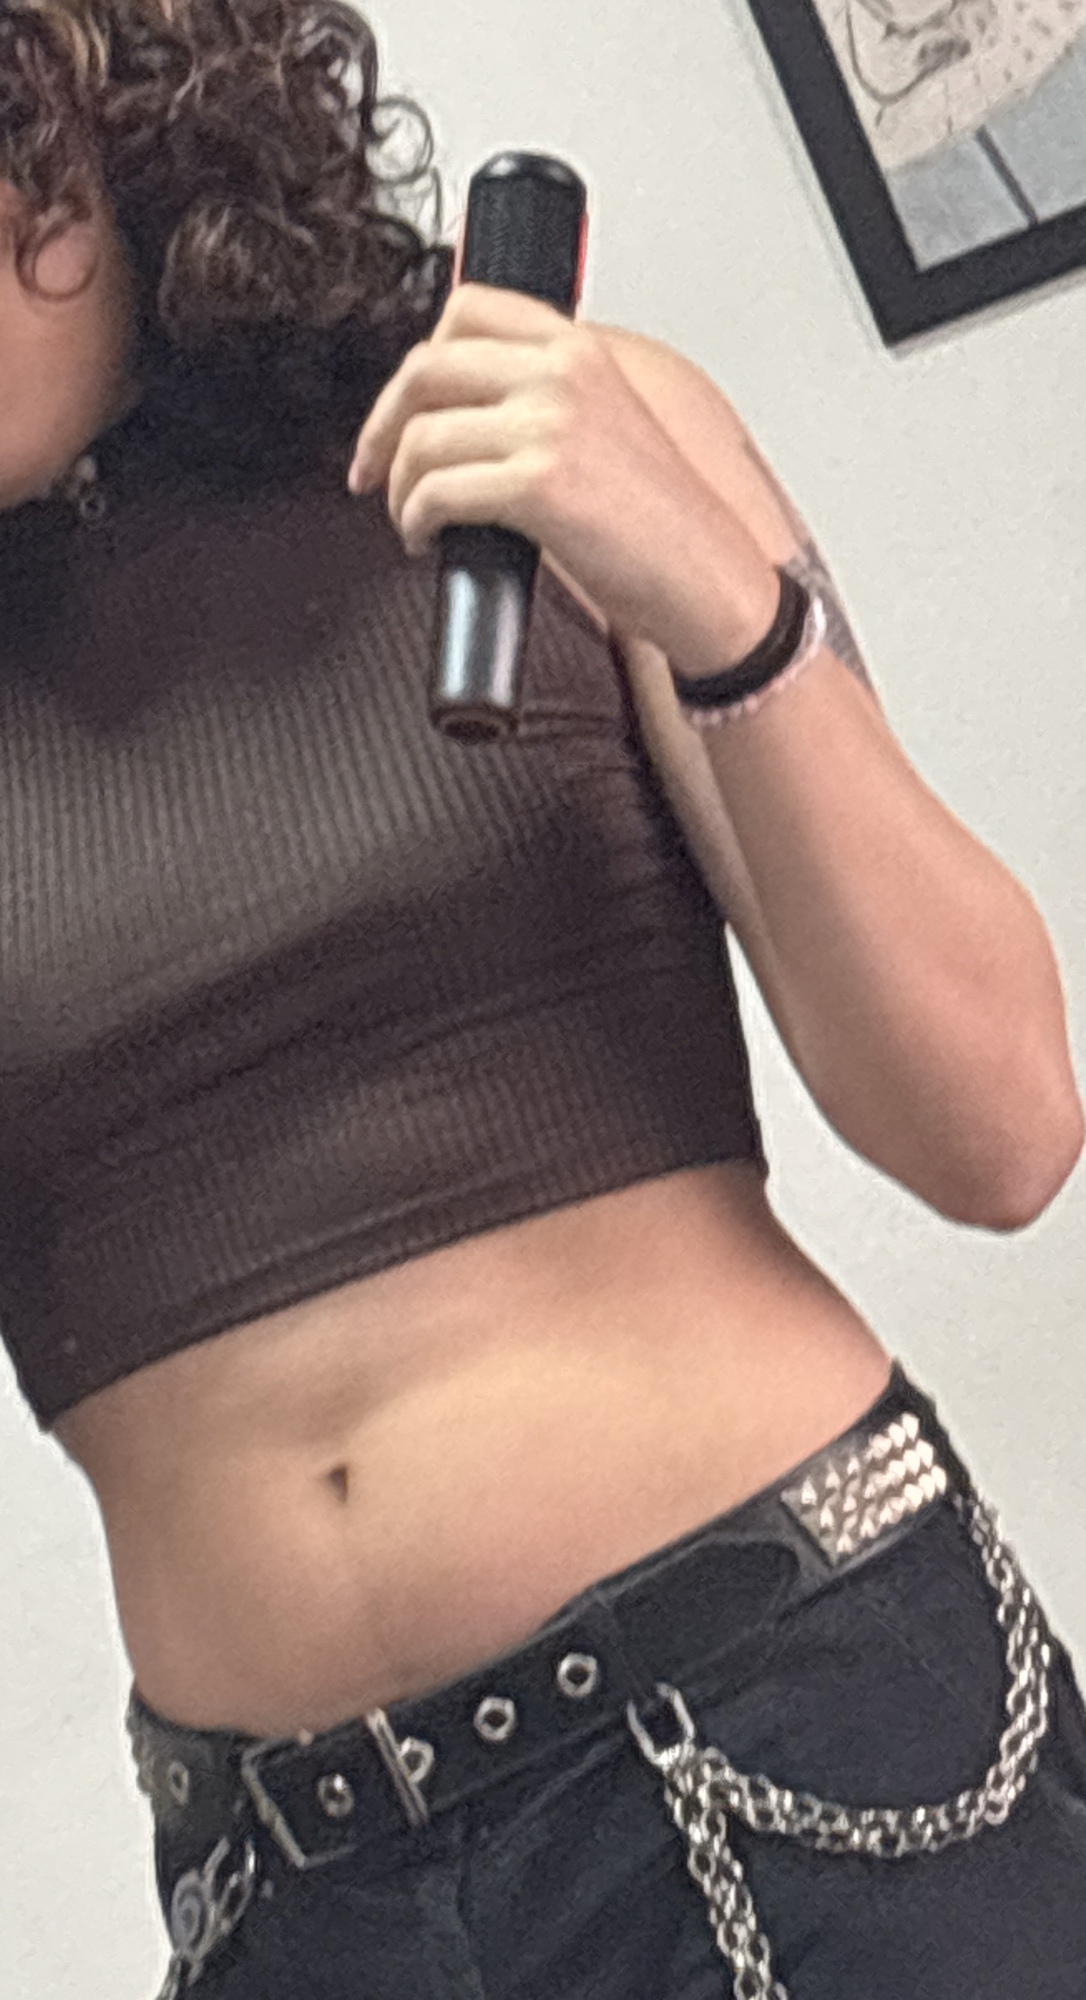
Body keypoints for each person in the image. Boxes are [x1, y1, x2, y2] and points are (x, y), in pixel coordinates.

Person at [1, 1, 1084, 1995]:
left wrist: (722, 603)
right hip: (294, 1905)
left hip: (809, 1745)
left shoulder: (541, 425)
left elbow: (1002, 1126)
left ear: (98, 101)